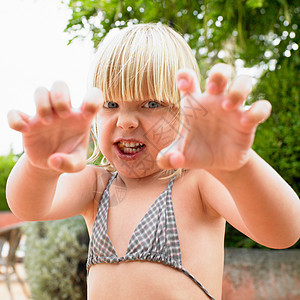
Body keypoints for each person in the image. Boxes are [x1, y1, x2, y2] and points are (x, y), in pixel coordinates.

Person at [6, 23, 300, 300]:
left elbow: (284, 232)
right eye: (111, 104)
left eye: (151, 104)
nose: (126, 121)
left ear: (185, 112)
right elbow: (29, 207)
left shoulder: (196, 182)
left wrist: (240, 169)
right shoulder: (96, 187)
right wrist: (39, 166)